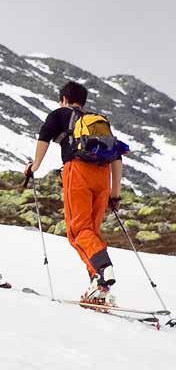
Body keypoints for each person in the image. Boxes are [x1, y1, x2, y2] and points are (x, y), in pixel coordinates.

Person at [24, 81, 126, 302]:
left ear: (64, 99)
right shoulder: (98, 122)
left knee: (78, 231)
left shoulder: (60, 114)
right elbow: (117, 156)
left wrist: (35, 167)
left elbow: (44, 137)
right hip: (102, 176)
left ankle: (104, 268)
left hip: (77, 172)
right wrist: (115, 193)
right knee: (91, 232)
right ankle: (98, 284)